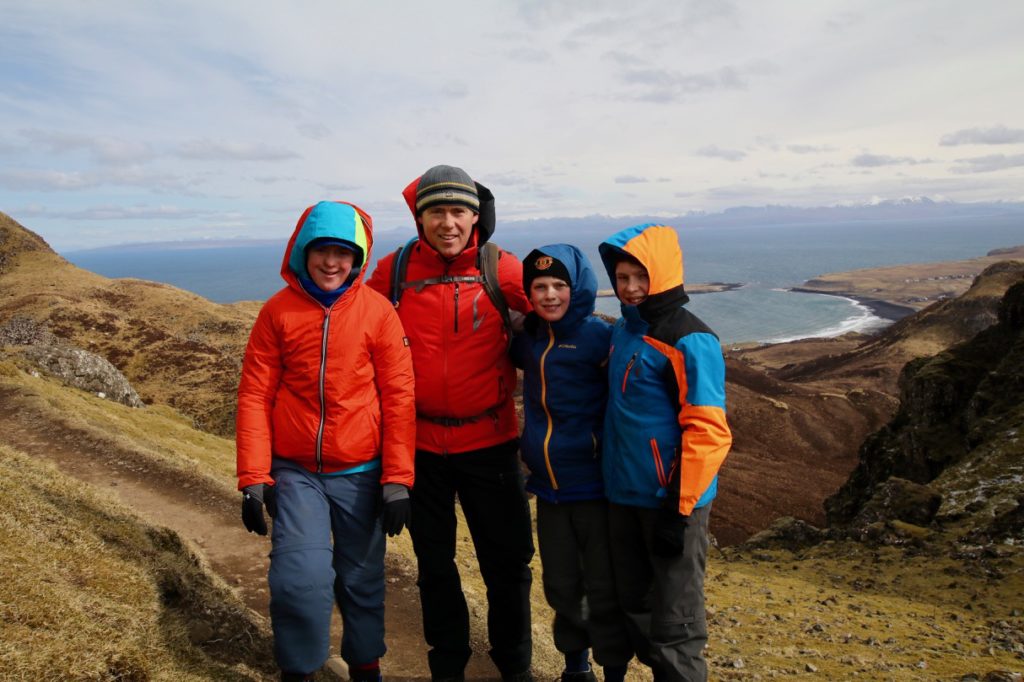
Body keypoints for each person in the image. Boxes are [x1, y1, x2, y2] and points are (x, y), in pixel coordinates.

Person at [366, 165, 535, 682]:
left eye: (458, 210)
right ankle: (448, 666)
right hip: (418, 447)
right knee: (435, 567)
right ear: (420, 217)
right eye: (436, 211)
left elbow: (554, 328)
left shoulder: (502, 269)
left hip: (491, 443)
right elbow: (354, 331)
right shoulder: (392, 273)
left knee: (507, 567)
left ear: (476, 215)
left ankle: (515, 666)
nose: (448, 222)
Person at [236, 200, 416, 682]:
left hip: (363, 472)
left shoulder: (378, 313)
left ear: (358, 257)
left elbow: (399, 397)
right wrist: (254, 477)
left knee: (362, 582)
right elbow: (255, 394)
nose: (332, 262)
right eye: (322, 250)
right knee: (299, 581)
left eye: (344, 251)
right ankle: (299, 671)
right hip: (296, 473)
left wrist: (398, 478)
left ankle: (365, 669)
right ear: (302, 252)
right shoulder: (277, 312)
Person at [597, 224, 732, 682]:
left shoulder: (691, 339)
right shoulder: (624, 334)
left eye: (641, 276)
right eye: (621, 278)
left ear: (664, 274)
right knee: (636, 609)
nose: (631, 288)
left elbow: (708, 431)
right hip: (624, 498)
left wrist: (678, 510)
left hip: (671, 504)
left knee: (676, 627)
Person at [510, 245, 633, 682]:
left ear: (577, 288)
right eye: (539, 286)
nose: (549, 294)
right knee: (562, 586)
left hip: (596, 487)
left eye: (559, 285)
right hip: (548, 488)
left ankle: (614, 671)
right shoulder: (528, 341)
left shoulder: (600, 337)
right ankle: (575, 668)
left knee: (603, 586)